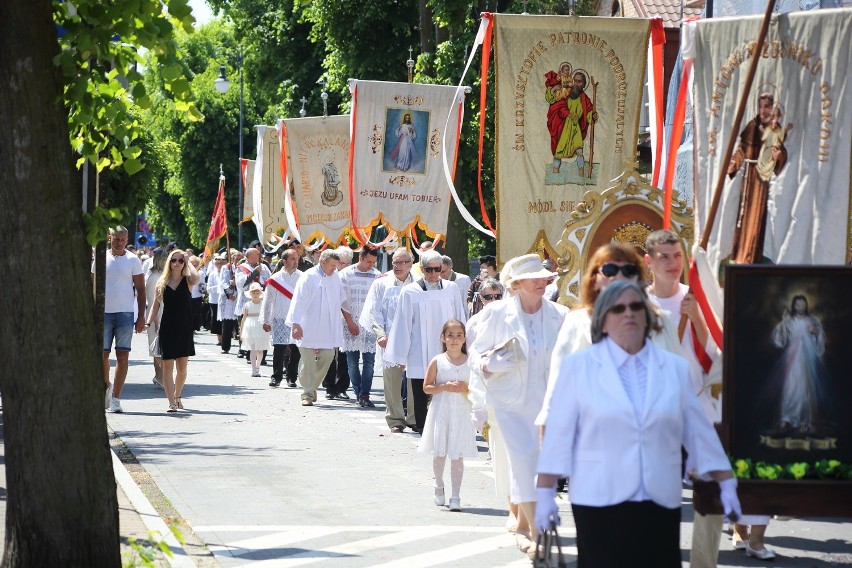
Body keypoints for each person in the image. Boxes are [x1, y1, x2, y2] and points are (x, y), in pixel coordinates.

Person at [535, 280, 741, 567]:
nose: (628, 313)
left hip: (658, 497)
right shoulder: (579, 367)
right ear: (603, 321)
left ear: (648, 318)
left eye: (636, 307)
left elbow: (697, 429)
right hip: (598, 498)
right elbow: (559, 431)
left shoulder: (673, 368)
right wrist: (545, 491)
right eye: (618, 308)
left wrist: (726, 481)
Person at [468, 254, 569, 554]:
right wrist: (488, 363)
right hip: (510, 403)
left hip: (546, 403)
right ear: (517, 284)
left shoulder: (560, 314)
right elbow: (474, 355)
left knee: (542, 467)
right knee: (524, 462)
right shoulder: (497, 313)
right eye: (534, 278)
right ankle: (539, 534)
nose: (541, 281)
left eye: (543, 277)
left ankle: (525, 524)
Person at [385, 250, 467, 432]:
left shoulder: (451, 288)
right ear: (422, 269)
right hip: (418, 347)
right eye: (428, 270)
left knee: (447, 386)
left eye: (437, 269)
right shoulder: (410, 291)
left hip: (447, 347)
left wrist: (463, 343)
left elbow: (460, 316)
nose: (433, 274)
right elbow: (402, 323)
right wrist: (400, 355)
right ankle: (423, 426)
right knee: (421, 389)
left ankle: (448, 425)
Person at [465, 278, 520, 530]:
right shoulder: (475, 323)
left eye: (498, 296)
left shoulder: (513, 317)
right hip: (485, 384)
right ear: (480, 299)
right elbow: (472, 357)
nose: (493, 301)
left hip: (515, 388)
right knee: (492, 437)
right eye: (488, 297)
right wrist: (487, 365)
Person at [285, 249, 358, 407]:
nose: (334, 268)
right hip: (307, 326)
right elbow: (298, 301)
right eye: (332, 265)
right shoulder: (308, 277)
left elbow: (341, 301)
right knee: (308, 362)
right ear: (322, 262)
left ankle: (311, 386)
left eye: (336, 266)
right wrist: (295, 323)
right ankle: (307, 393)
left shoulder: (335, 277)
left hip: (328, 328)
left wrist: (350, 320)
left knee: (328, 356)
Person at [419, 319, 478, 513]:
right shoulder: (438, 360)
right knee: (439, 452)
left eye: (459, 335)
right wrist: (444, 386)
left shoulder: (471, 361)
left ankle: (455, 496)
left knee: (457, 455)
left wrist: (466, 387)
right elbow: (427, 387)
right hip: (441, 411)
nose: (454, 339)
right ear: (443, 338)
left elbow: (478, 389)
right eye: (450, 335)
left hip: (461, 412)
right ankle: (438, 485)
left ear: (464, 339)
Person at [727, 92, 788, 264]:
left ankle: (764, 256)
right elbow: (741, 150)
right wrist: (731, 165)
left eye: (767, 106)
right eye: (761, 106)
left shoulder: (776, 130)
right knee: (746, 219)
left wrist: (779, 157)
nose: (764, 110)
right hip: (751, 179)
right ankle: (744, 256)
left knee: (764, 220)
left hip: (767, 183)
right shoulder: (752, 126)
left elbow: (782, 153)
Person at [360, 248, 416, 433]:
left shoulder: (418, 283)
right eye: (395, 262)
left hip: (413, 339)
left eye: (402, 262)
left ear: (411, 263)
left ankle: (415, 418)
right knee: (392, 381)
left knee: (414, 379)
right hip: (389, 339)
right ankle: (395, 419)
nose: (397, 266)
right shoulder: (382, 283)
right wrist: (380, 333)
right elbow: (373, 311)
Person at [146, 249, 200, 412]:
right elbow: (155, 306)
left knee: (182, 369)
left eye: (180, 261)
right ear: (169, 262)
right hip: (167, 327)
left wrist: (188, 260)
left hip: (184, 327)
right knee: (167, 367)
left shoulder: (188, 280)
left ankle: (177, 396)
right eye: (174, 260)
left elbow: (196, 278)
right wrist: (148, 323)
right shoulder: (161, 282)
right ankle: (171, 403)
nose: (177, 263)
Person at [101, 226, 146, 414]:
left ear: (127, 239)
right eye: (116, 238)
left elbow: (141, 290)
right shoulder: (101, 257)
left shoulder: (133, 260)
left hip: (125, 314)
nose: (120, 242)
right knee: (101, 356)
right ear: (109, 238)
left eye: (123, 239)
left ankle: (116, 399)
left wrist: (141, 316)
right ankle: (106, 386)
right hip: (103, 314)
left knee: (122, 356)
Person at [769, 295, 827, 436]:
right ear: (794, 306)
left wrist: (815, 332)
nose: (800, 307)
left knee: (804, 388)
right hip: (792, 359)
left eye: (802, 304)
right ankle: (787, 417)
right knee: (790, 387)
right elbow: (780, 339)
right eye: (797, 305)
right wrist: (784, 322)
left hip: (806, 359)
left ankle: (804, 421)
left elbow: (819, 340)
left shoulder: (811, 321)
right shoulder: (790, 321)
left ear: (805, 305)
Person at [339, 248, 381, 407]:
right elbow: (342, 302)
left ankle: (365, 394)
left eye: (373, 262)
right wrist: (350, 322)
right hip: (350, 322)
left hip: (369, 324)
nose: (371, 265)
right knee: (352, 361)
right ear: (361, 257)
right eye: (368, 261)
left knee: (369, 361)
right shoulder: (345, 274)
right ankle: (357, 391)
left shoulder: (377, 275)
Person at [545, 64, 598, 175]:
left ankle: (581, 173)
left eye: (579, 82)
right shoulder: (566, 93)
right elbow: (558, 104)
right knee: (558, 152)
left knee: (579, 150)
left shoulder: (584, 97)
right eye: (575, 80)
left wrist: (592, 116)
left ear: (583, 84)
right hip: (564, 128)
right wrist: (567, 113)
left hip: (576, 128)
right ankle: (555, 173)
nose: (576, 83)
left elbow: (588, 112)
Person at [261, 248, 302, 388]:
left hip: (297, 319)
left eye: (297, 259)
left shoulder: (302, 277)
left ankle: (292, 377)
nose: (296, 262)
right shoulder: (275, 279)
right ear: (284, 261)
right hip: (280, 317)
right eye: (292, 259)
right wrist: (266, 320)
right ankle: (276, 377)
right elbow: (268, 301)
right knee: (279, 349)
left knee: (296, 350)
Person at [322, 246, 354, 400]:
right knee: (329, 354)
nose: (344, 267)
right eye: (342, 263)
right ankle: (329, 386)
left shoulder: (351, 276)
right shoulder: (330, 276)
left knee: (344, 356)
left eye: (348, 263)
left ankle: (342, 387)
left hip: (346, 321)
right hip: (330, 320)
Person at [145, 244, 169, 390]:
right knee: (158, 347)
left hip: (161, 312)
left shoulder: (156, 275)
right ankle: (160, 376)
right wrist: (156, 320)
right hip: (157, 314)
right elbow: (154, 301)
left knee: (160, 347)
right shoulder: (155, 277)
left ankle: (160, 376)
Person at [240, 282, 271, 378]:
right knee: (252, 349)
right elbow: (243, 319)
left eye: (257, 293)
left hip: (260, 328)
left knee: (260, 349)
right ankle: (253, 369)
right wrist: (241, 332)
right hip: (250, 328)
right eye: (253, 293)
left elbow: (267, 317)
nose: (255, 295)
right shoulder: (247, 305)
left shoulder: (263, 304)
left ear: (260, 293)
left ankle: (258, 367)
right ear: (250, 294)